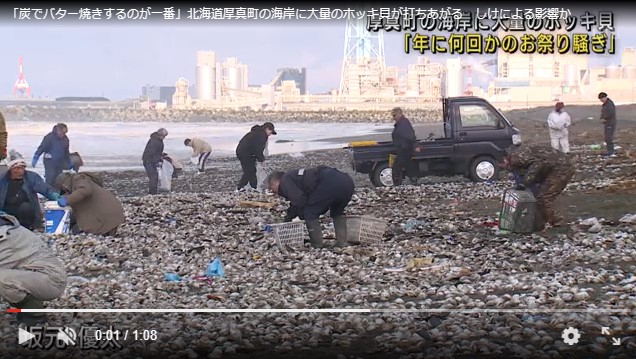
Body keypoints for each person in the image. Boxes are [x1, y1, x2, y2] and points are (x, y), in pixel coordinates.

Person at [0, 212, 67, 325]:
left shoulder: (6, 237)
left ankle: (35, 315)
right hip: (35, 275)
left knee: (2, 279)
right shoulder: (6, 227)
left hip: (51, 280)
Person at [266, 166, 355, 249]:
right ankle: (342, 242)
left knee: (310, 212)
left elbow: (299, 200)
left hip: (329, 183)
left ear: (275, 182)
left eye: (271, 188)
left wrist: (291, 216)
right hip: (347, 182)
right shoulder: (294, 176)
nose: (273, 191)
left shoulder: (285, 180)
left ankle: (317, 245)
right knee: (337, 211)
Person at [501, 144, 575, 230]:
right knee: (540, 196)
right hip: (555, 166)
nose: (503, 168)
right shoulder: (517, 159)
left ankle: (557, 221)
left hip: (561, 167)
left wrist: (524, 182)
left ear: (505, 159)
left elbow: (537, 164)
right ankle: (539, 224)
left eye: (502, 165)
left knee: (544, 197)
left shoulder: (516, 158)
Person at [54, 172, 124, 236]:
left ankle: (107, 232)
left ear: (64, 184)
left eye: (63, 188)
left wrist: (67, 200)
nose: (65, 190)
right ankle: (107, 233)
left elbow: (85, 190)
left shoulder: (79, 179)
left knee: (93, 230)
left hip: (108, 213)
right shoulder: (76, 183)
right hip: (110, 212)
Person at [0, 159, 60, 230]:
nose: (21, 171)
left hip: (24, 211)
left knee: (26, 208)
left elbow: (43, 188)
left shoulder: (31, 177)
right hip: (6, 210)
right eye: (17, 168)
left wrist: (54, 195)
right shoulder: (2, 179)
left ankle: (27, 228)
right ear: (11, 169)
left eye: (23, 168)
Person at [235, 122, 276, 192]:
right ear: (267, 129)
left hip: (244, 152)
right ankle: (240, 187)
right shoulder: (261, 135)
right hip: (245, 153)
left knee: (251, 170)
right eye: (270, 132)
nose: (270, 135)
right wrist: (261, 159)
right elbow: (258, 149)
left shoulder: (257, 133)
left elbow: (256, 148)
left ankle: (253, 187)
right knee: (249, 171)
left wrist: (259, 158)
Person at [390, 108, 419, 186]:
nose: (393, 118)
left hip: (405, 148)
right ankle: (412, 179)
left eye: (394, 115)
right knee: (407, 164)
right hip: (402, 148)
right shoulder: (401, 123)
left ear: (399, 114)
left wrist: (415, 145)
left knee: (397, 165)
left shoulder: (404, 123)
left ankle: (397, 182)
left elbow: (411, 136)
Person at [142, 128, 168, 195]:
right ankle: (152, 192)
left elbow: (156, 152)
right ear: (160, 134)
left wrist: (161, 155)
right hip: (149, 161)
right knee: (153, 176)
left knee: (154, 176)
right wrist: (159, 158)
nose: (164, 138)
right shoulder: (155, 141)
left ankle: (153, 192)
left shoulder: (157, 140)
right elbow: (151, 153)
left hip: (150, 160)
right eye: (164, 136)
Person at [598, 92, 617, 157]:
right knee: (607, 137)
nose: (601, 100)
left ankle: (611, 151)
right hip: (607, 123)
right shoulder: (605, 104)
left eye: (601, 99)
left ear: (605, 97)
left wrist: (604, 118)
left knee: (608, 137)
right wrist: (602, 118)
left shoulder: (609, 104)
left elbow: (610, 113)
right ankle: (609, 151)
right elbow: (603, 113)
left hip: (610, 123)